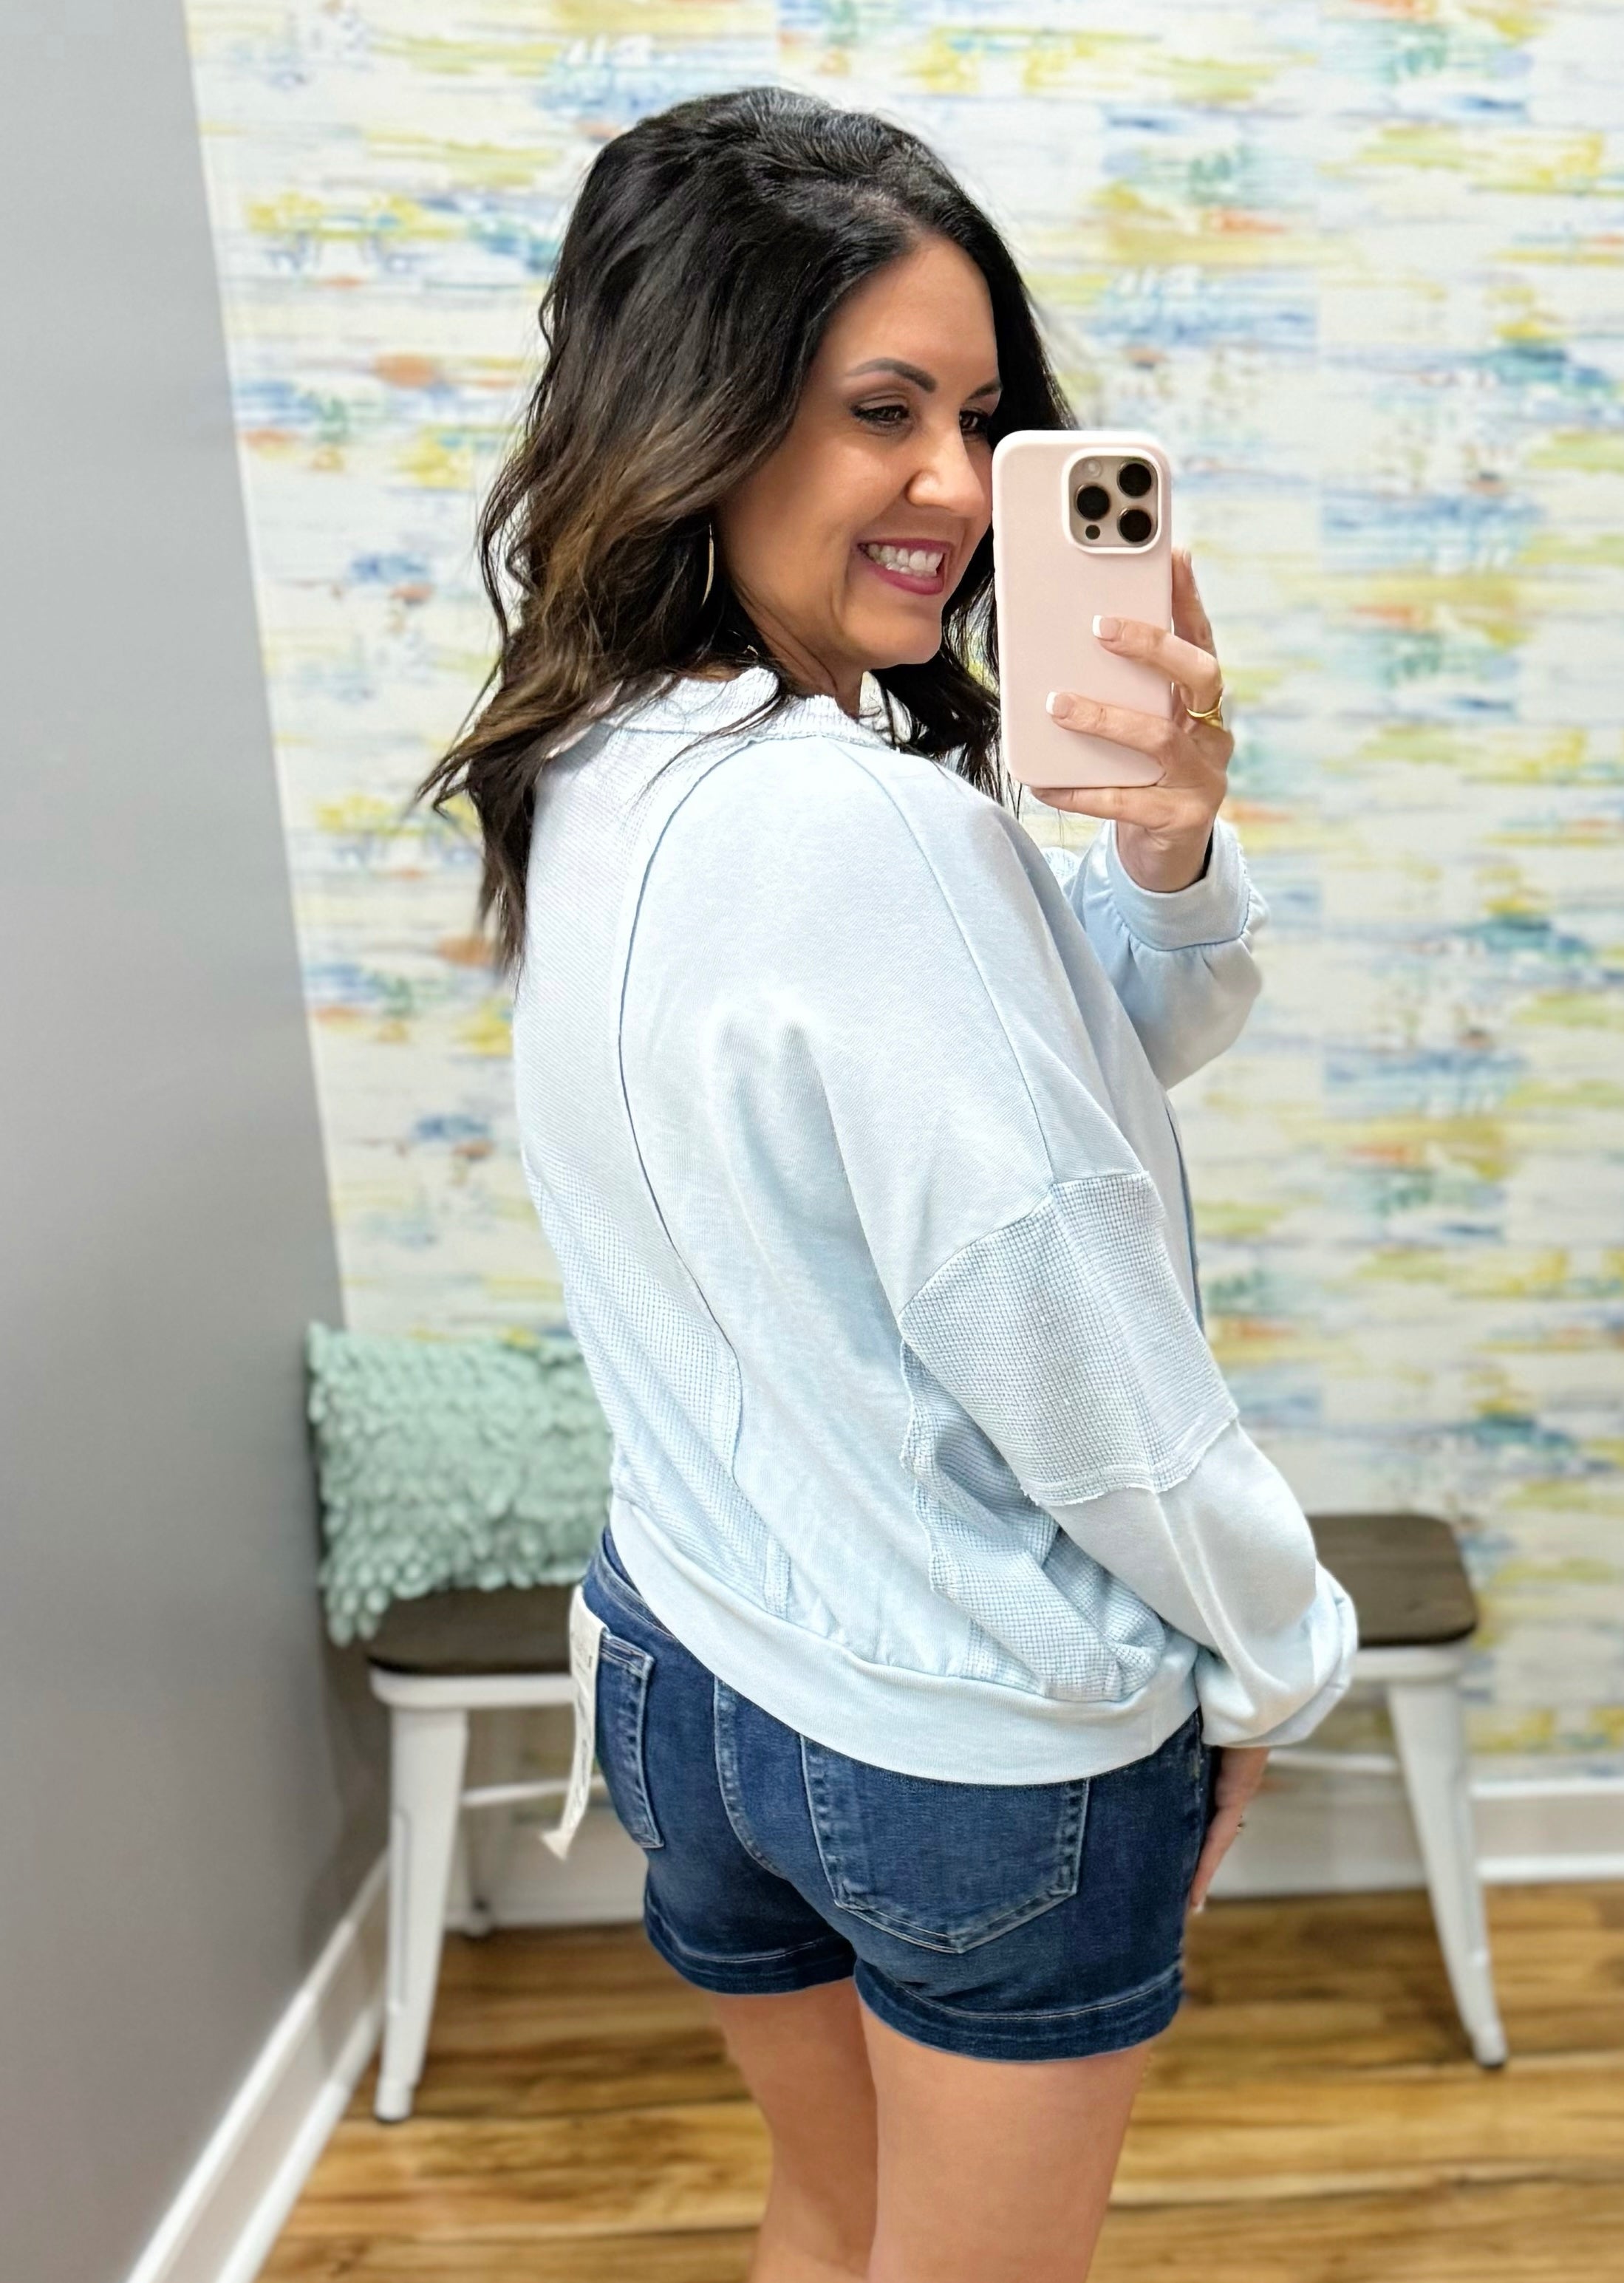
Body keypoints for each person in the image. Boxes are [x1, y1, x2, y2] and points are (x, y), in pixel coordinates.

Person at [419, 83, 1357, 2283]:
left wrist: (1159, 849)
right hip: (955, 1737)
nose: (951, 482)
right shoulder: (867, 833)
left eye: (980, 412)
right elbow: (1061, 1308)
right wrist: (1272, 1652)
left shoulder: (595, 750)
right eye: (879, 410)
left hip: (685, 1661)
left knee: (835, 2215)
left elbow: (1044, 1078)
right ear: (702, 409)